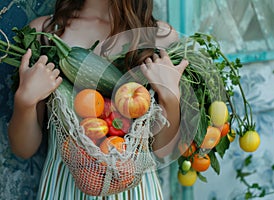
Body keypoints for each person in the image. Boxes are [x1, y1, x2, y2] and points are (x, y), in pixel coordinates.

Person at [8, 0, 188, 199]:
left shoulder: (159, 37)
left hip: (135, 192)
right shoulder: (46, 33)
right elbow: (24, 149)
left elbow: (162, 151)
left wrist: (171, 98)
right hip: (64, 188)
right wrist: (24, 102)